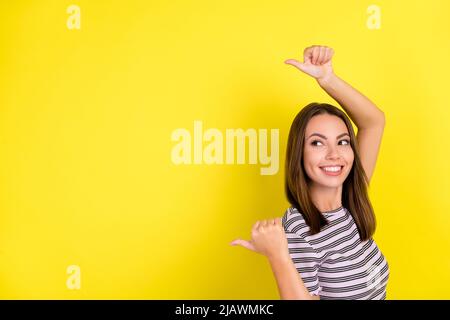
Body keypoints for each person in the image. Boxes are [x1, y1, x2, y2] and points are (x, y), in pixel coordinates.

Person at [230, 45, 389, 300]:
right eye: (317, 142)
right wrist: (278, 255)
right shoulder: (299, 229)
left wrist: (327, 79)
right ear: (299, 155)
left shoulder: (352, 198)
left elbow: (374, 121)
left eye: (343, 141)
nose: (334, 154)